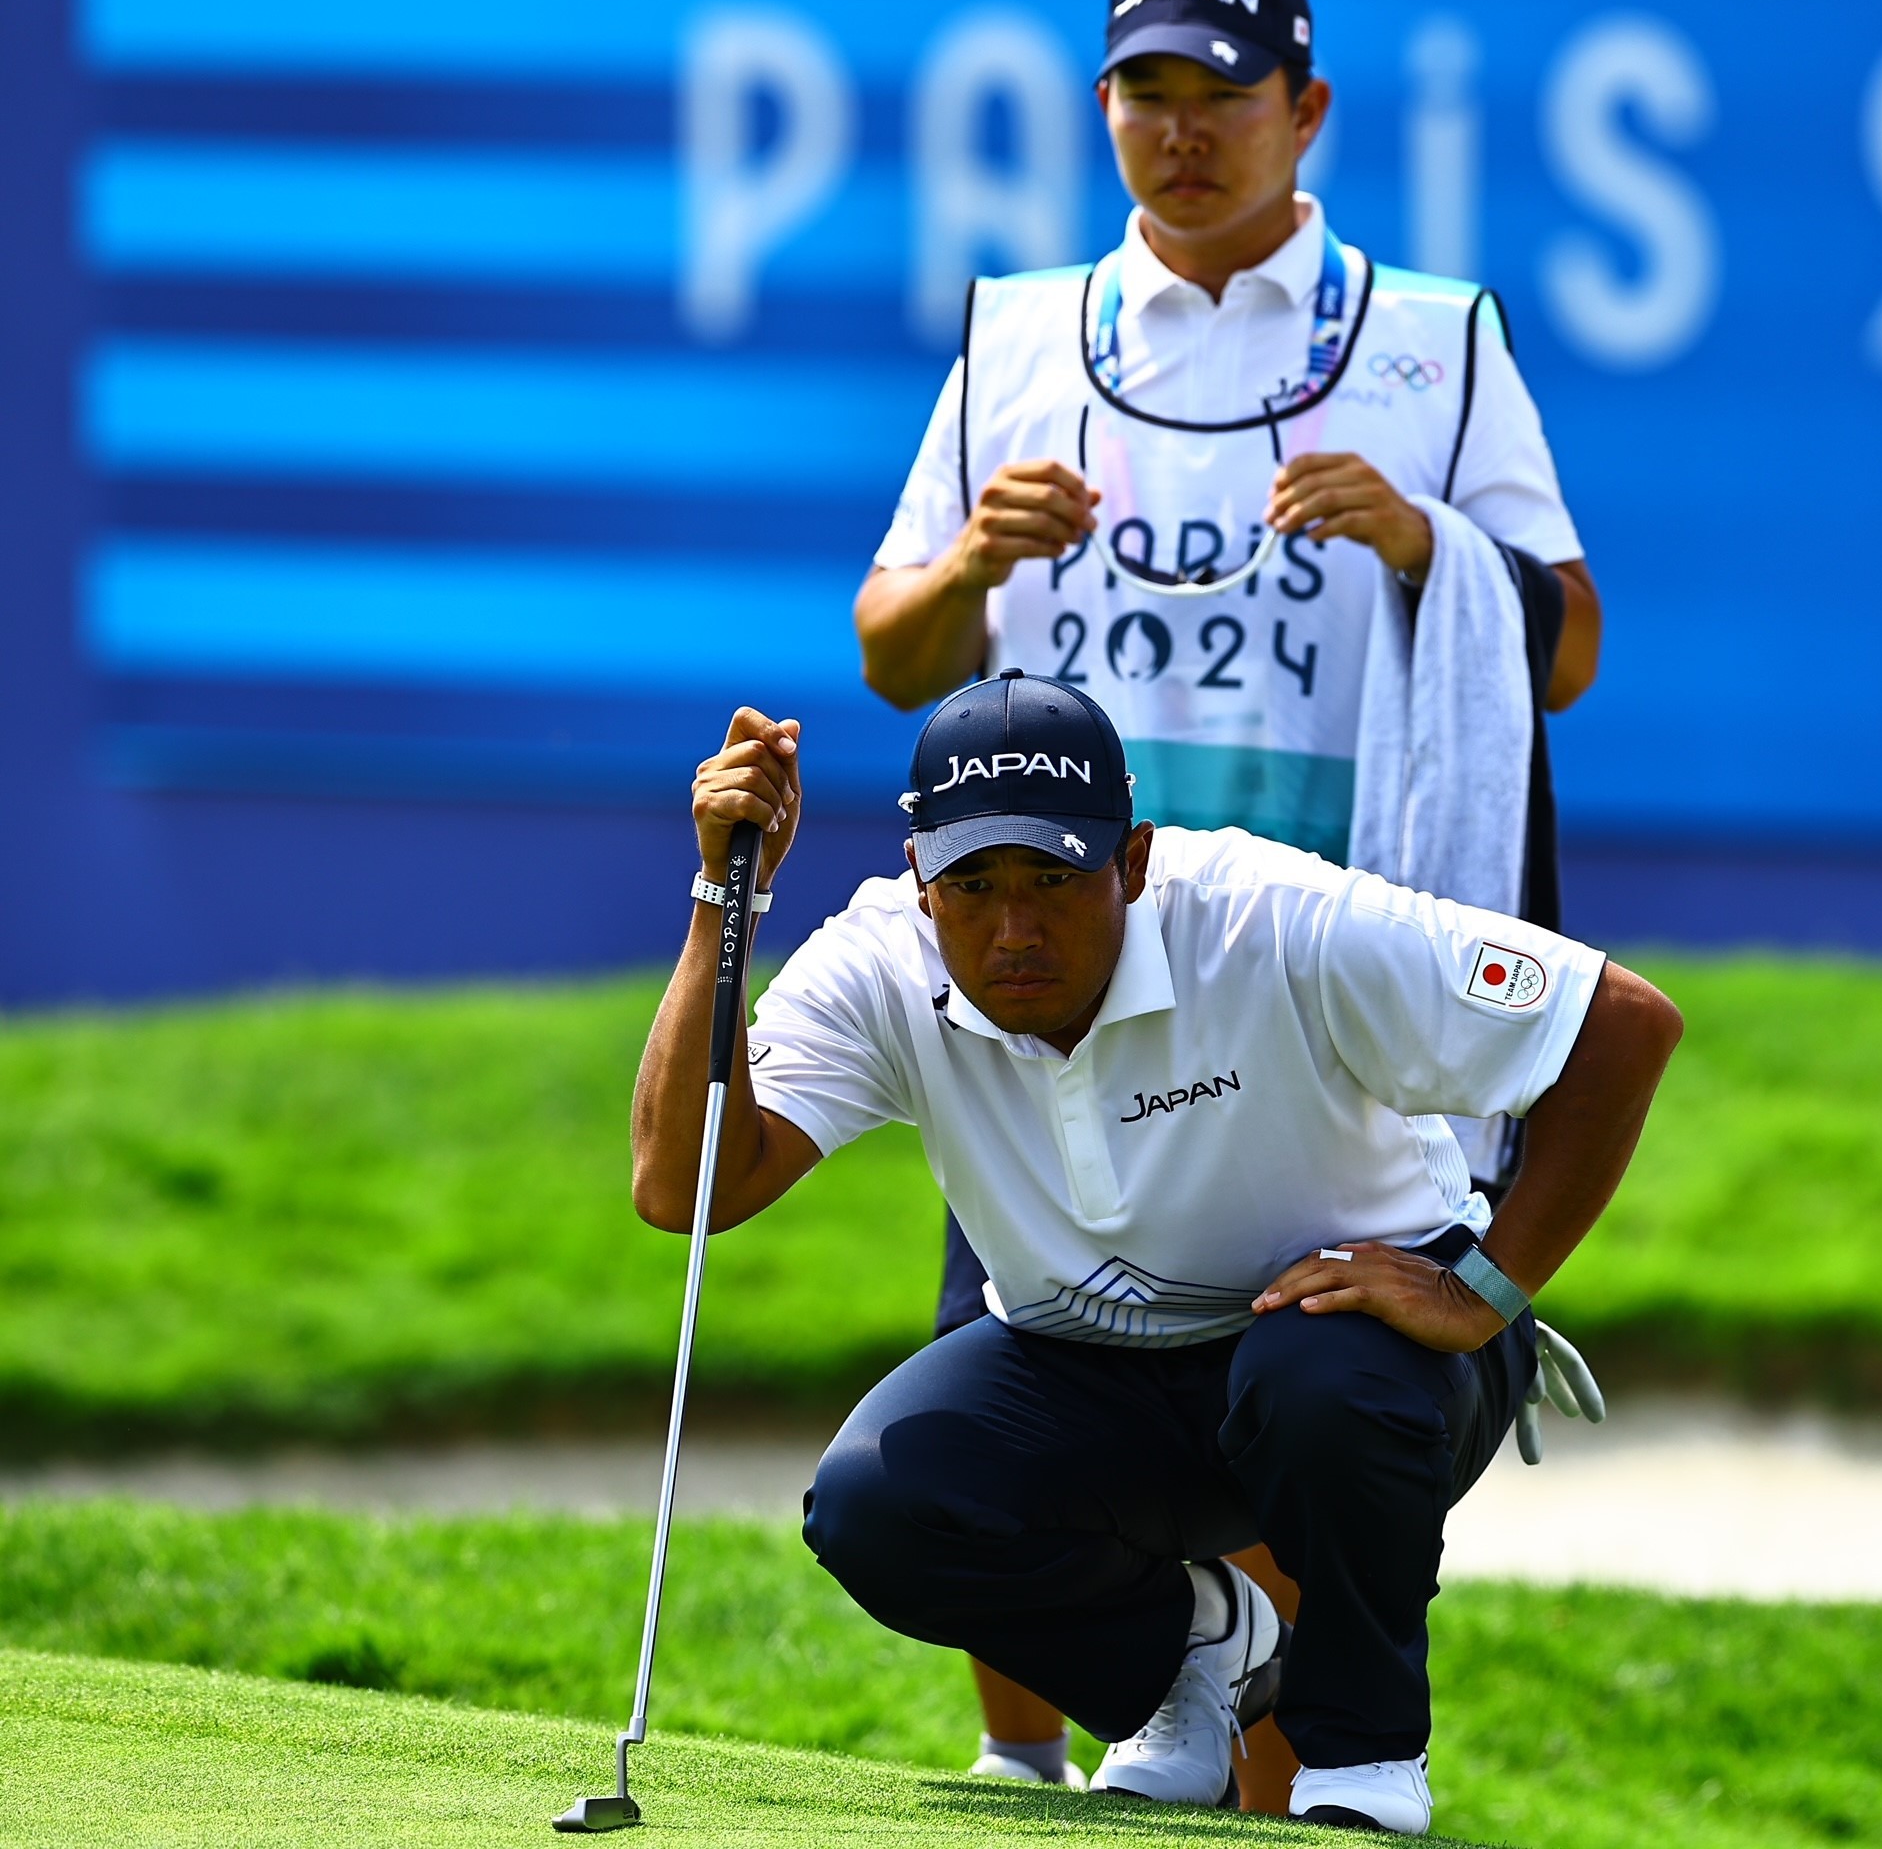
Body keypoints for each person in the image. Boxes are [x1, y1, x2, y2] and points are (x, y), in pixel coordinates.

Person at [849, 0, 1603, 1794]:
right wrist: (968, 567)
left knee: (1270, 1397)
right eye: (1144, 96)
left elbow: (1569, 644)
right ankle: (1026, 1773)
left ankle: (1265, 1795)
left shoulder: (1430, 347)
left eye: (1223, 96)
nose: (1181, 135)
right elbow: (890, 653)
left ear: (1308, 108)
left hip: (1295, 986)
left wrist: (1430, 543)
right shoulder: (1019, 334)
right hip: (1050, 949)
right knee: (1013, 1369)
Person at [633, 677, 1680, 1834]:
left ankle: (1365, 1764)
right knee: (880, 1501)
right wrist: (720, 902)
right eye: (974, 884)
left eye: (1054, 878)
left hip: (1365, 1349)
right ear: (923, 879)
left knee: (1313, 1376)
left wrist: (1479, 1289)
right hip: (1094, 1369)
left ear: (1131, 860)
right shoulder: (882, 958)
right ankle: (1191, 1655)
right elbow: (687, 1185)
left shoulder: (1273, 915)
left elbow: (1622, 1024)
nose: (1014, 926)